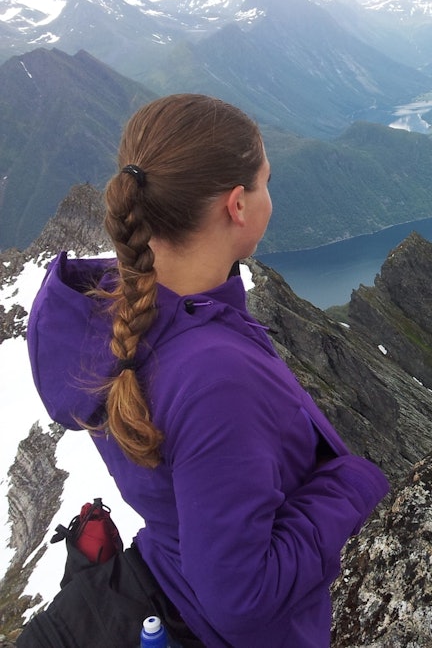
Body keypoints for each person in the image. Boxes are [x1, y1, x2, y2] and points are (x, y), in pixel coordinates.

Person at [24, 94, 390, 647]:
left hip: (168, 575)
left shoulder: (111, 316)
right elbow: (242, 597)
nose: (271, 196)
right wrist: (352, 483)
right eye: (266, 182)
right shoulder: (212, 376)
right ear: (237, 205)